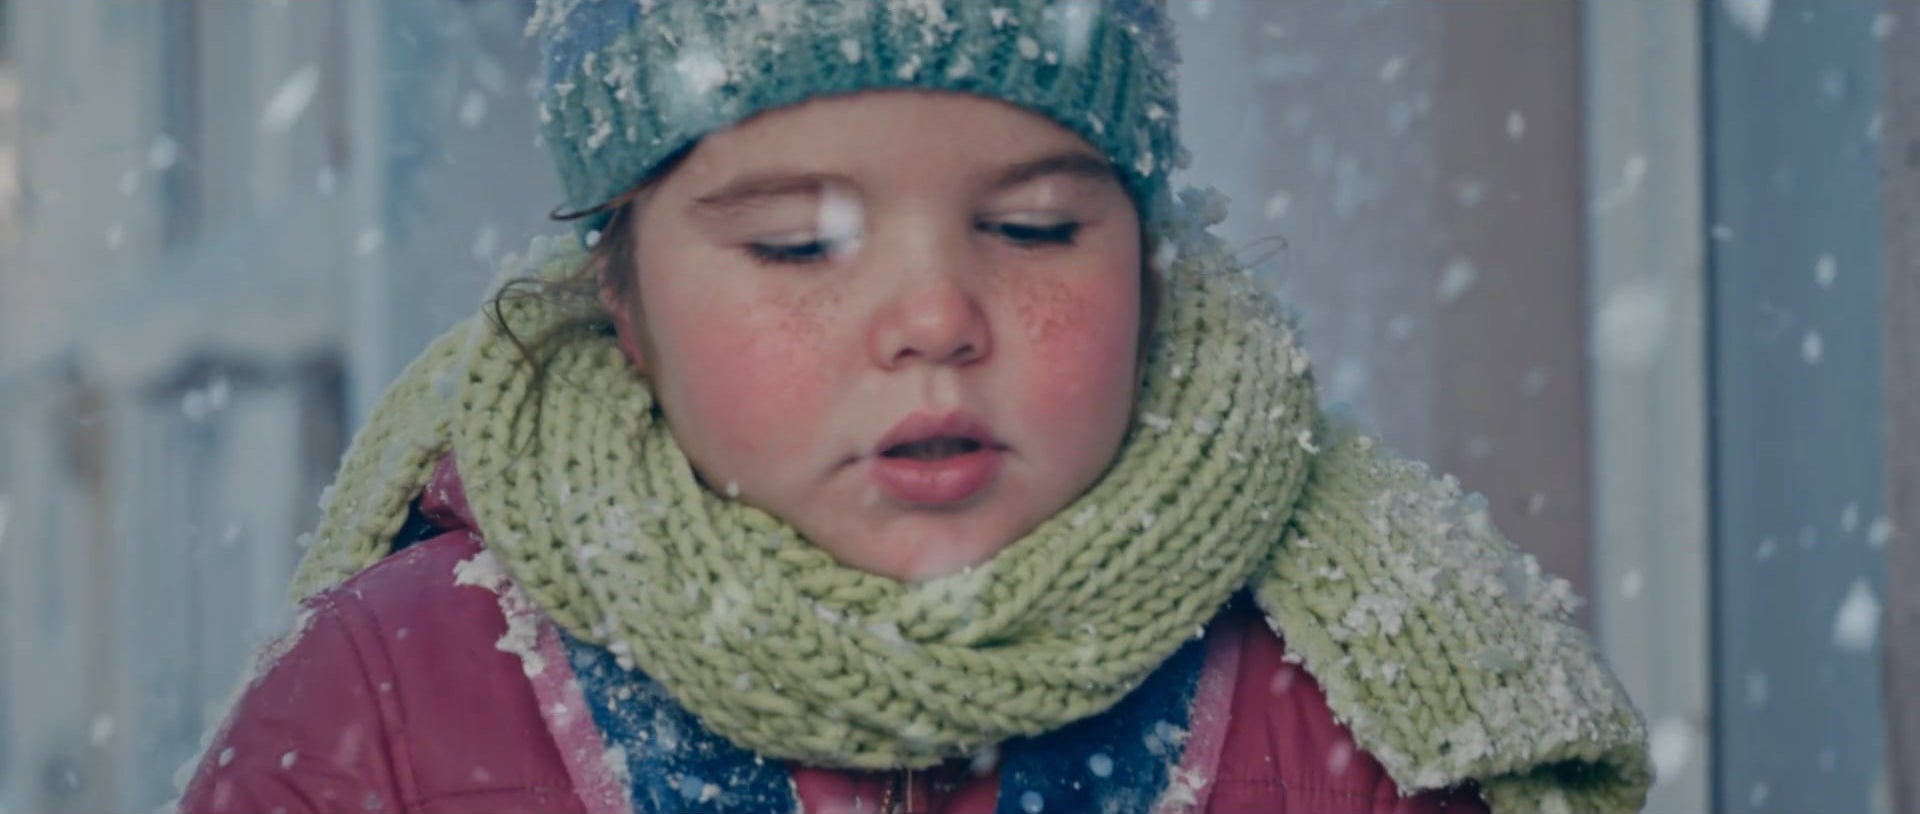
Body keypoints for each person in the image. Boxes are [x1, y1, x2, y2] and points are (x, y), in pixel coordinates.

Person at [177, 2, 1650, 812]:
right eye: (797, 244)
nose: (937, 315)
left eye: (1034, 229)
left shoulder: (1345, 686)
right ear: (620, 302)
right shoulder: (394, 699)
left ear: (1150, 254)